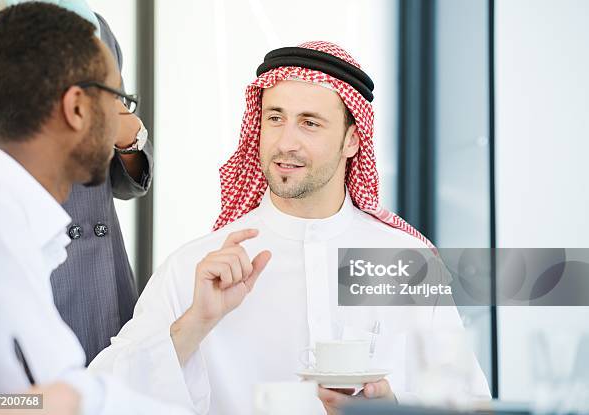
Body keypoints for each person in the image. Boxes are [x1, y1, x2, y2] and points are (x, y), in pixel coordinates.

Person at [89, 41, 491, 414]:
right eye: (275, 118)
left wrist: (390, 409)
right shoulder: (194, 268)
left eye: (310, 123)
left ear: (353, 140)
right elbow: (97, 398)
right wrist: (194, 324)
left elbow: (471, 402)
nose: (285, 142)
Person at [0, 4, 193, 413]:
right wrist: (52, 401)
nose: (123, 122)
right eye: (118, 101)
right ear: (77, 108)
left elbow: (26, 394)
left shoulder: (19, 226)